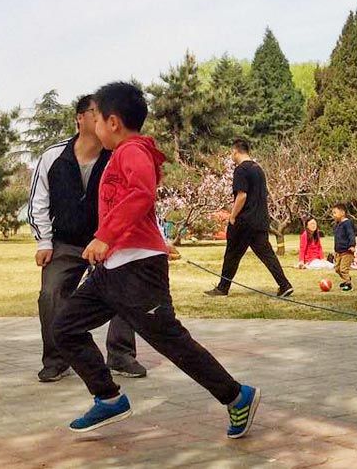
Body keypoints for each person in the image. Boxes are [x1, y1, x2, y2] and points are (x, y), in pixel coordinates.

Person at [51, 82, 260, 437]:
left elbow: (141, 194)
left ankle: (236, 396)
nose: (94, 127)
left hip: (138, 271)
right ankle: (108, 398)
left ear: (113, 122)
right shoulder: (121, 154)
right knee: (65, 327)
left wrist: (105, 236)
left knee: (171, 341)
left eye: (97, 119)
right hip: (110, 271)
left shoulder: (133, 151)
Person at [28, 95, 145, 383]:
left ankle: (120, 354)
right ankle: (57, 359)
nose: (104, 117)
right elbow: (38, 203)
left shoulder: (116, 158)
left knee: (123, 287)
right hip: (65, 243)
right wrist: (44, 242)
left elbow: (135, 199)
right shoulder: (52, 157)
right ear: (80, 118)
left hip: (108, 242)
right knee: (50, 293)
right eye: (97, 112)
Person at [206, 139, 293, 298]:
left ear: (236, 151)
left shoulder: (241, 170)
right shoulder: (258, 169)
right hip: (260, 220)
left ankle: (222, 288)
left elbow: (242, 195)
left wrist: (232, 216)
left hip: (244, 221)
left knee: (232, 254)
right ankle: (284, 285)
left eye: (232, 152)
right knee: (267, 254)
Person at [331, 204, 354, 291]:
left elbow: (351, 235)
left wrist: (352, 245)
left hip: (347, 251)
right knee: (337, 269)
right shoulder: (337, 225)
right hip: (339, 252)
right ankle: (346, 279)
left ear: (342, 213)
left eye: (335, 213)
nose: (333, 215)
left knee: (343, 269)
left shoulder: (347, 223)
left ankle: (348, 285)